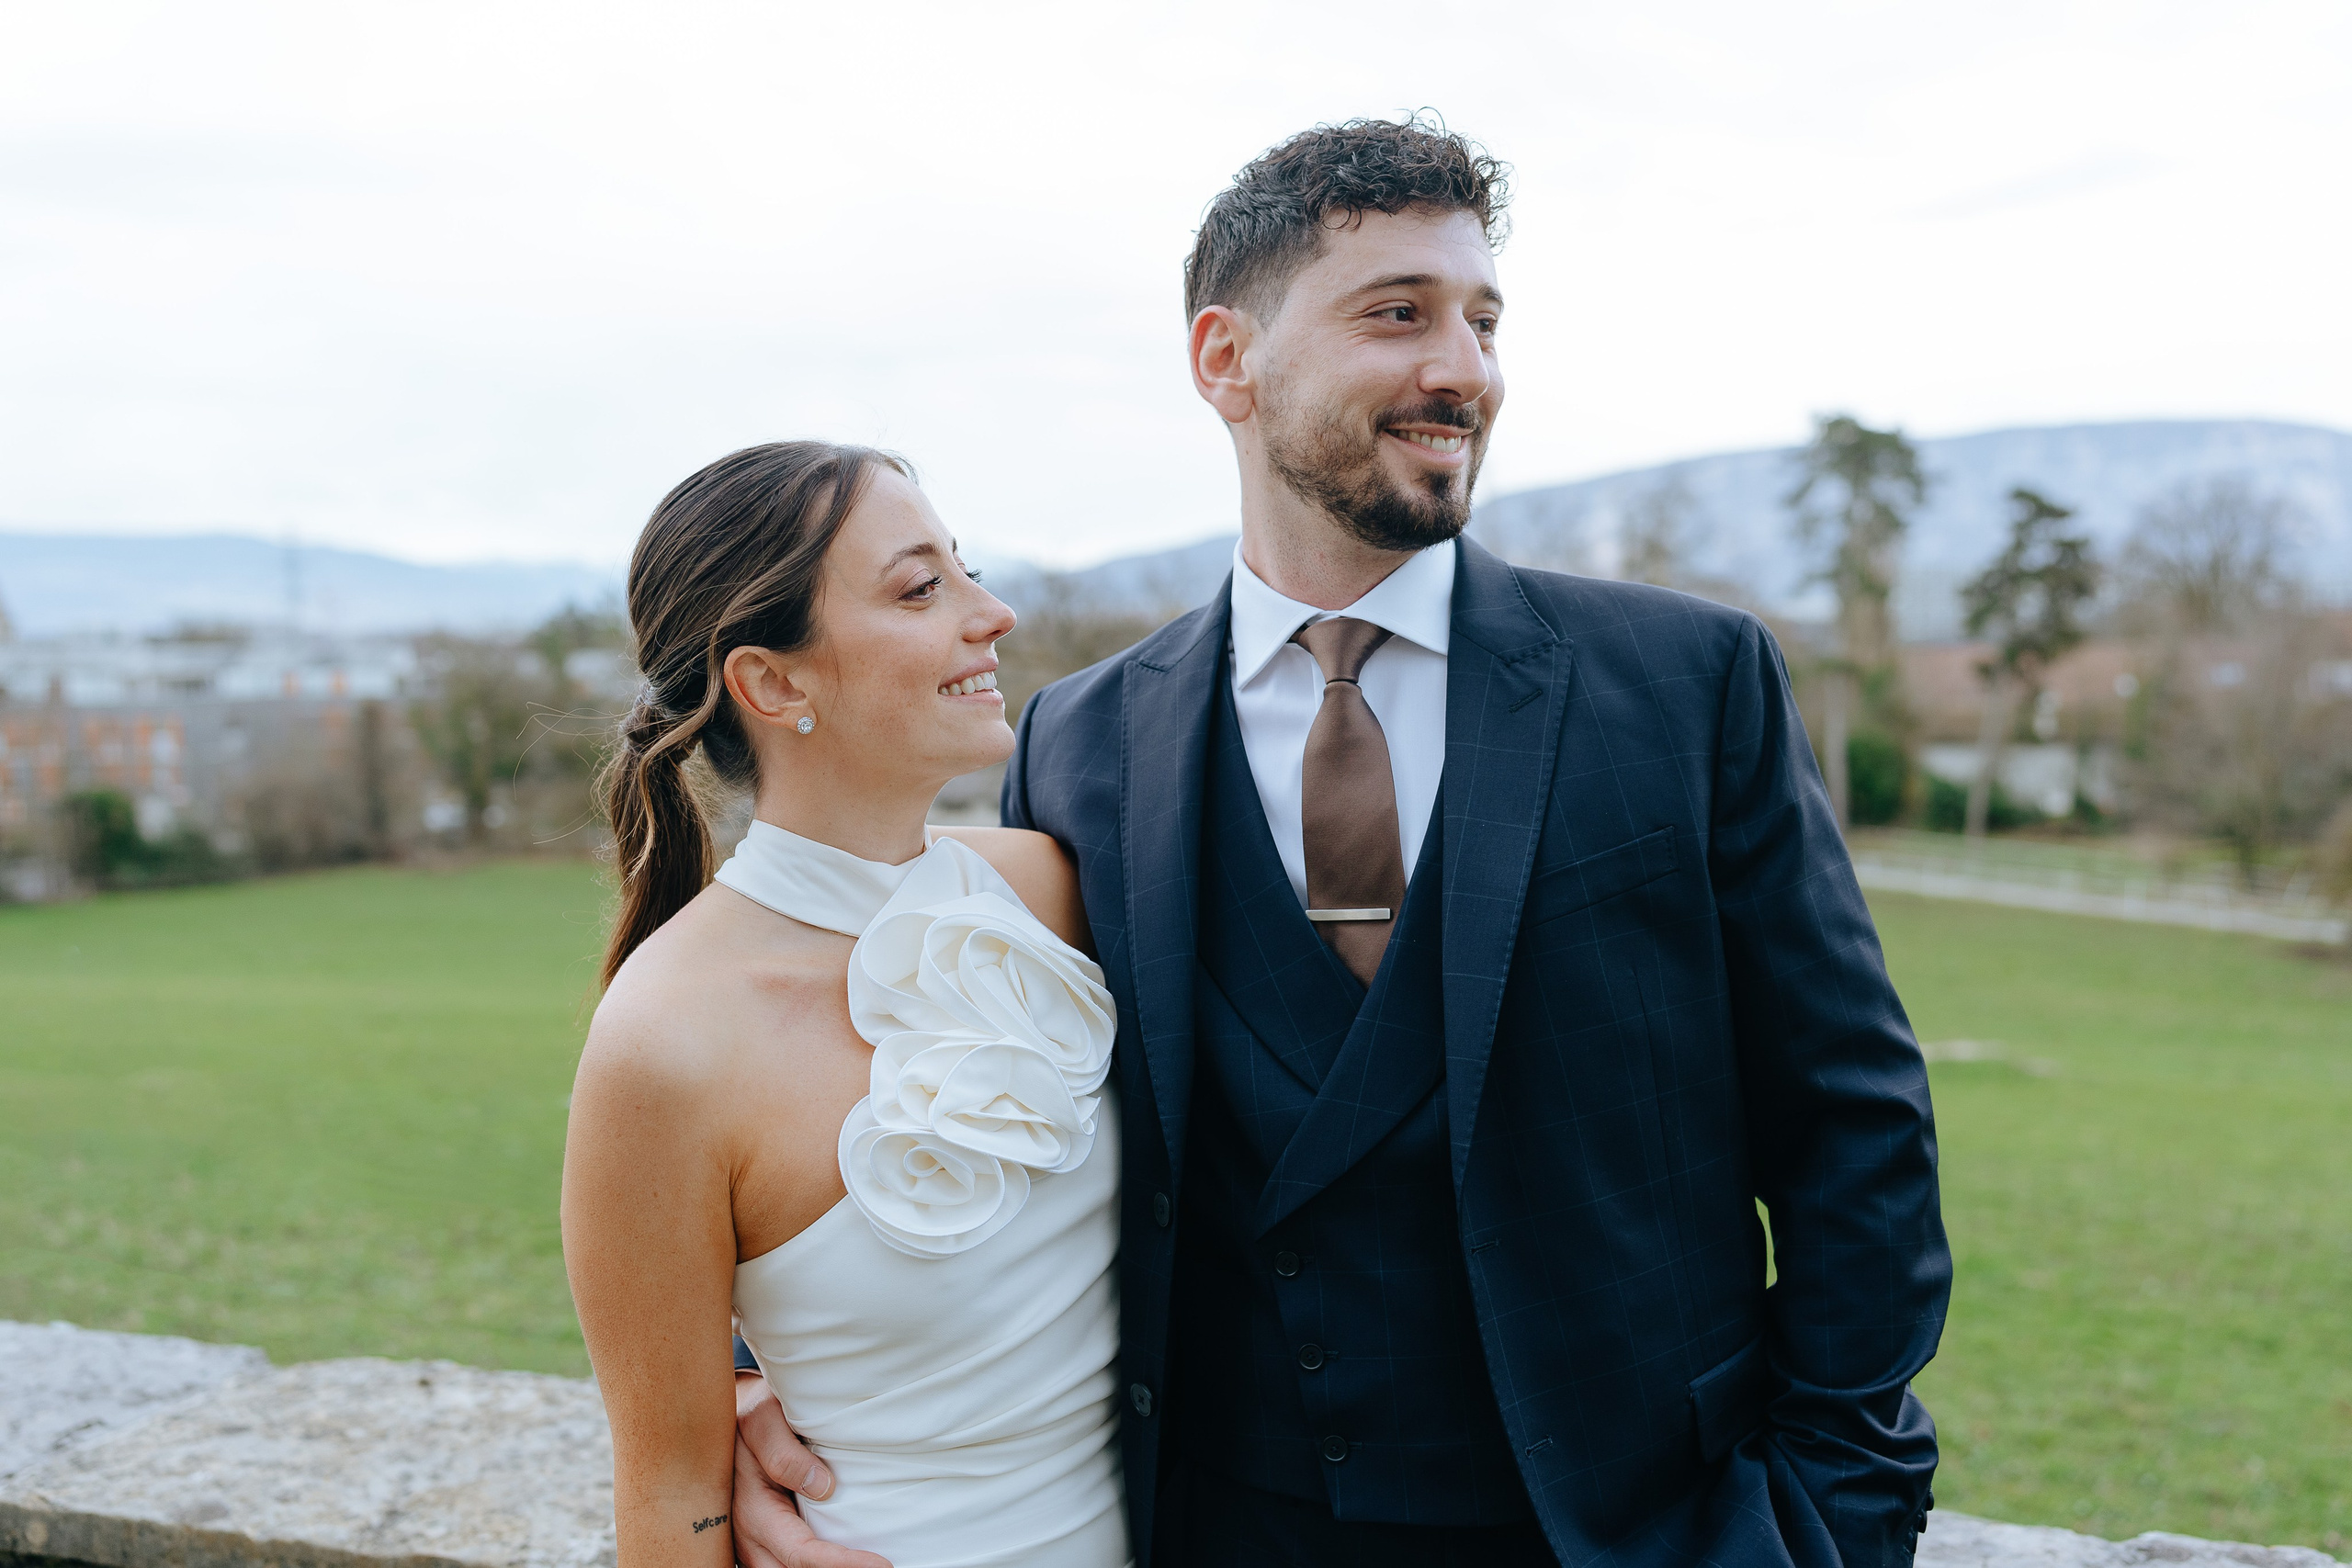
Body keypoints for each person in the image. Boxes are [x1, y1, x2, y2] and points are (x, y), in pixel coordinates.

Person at [734, 116, 1950, 1568]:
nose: (1465, 369)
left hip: (1643, 1527)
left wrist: (1832, 1514)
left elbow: (1852, 1119)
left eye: (1483, 321)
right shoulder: (1083, 742)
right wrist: (761, 1374)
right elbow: (953, 1088)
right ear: (1226, 360)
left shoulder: (1688, 682)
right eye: (1400, 314)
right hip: (1229, 1524)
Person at [562, 442, 1132, 1568]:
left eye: (964, 570)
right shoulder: (663, 1046)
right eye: (922, 588)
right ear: (774, 684)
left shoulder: (1050, 892)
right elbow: (670, 1493)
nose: (994, 614)